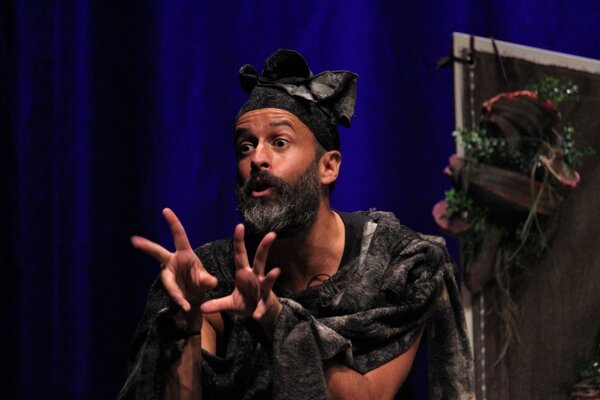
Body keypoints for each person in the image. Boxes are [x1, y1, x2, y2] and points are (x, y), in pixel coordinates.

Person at [117, 49, 474, 400]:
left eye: (279, 142)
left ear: (328, 167)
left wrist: (277, 320)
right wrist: (186, 318)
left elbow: (369, 395)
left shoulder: (397, 265)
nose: (257, 158)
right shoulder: (212, 277)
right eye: (245, 146)